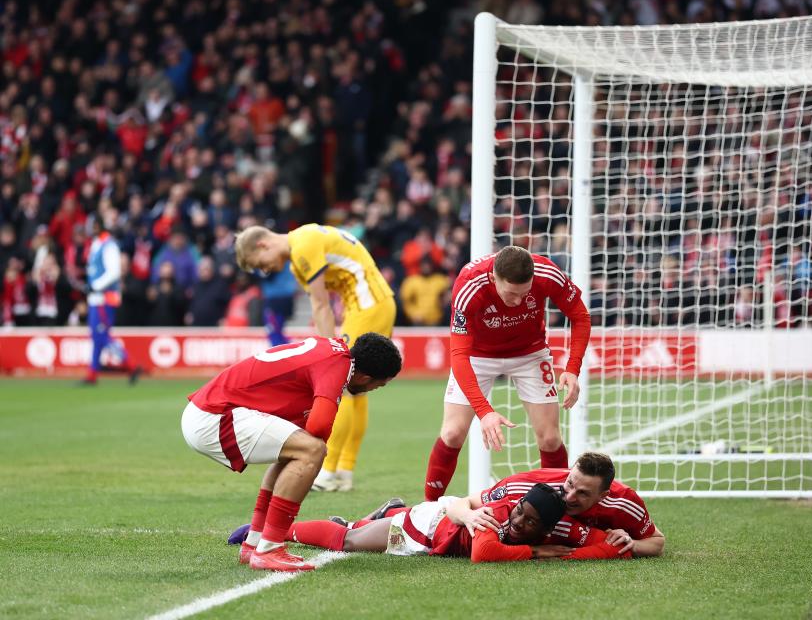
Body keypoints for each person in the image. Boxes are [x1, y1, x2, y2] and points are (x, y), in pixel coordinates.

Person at [181, 332, 402, 572]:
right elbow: (319, 427)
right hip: (215, 416)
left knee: (299, 449)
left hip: (210, 410)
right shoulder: (338, 366)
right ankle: (270, 548)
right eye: (376, 386)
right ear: (364, 377)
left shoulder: (332, 350)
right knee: (312, 450)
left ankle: (254, 544)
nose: (371, 390)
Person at [234, 224, 397, 492]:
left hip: (366, 305)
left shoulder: (302, 247)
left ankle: (328, 470)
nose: (264, 270)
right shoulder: (304, 243)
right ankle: (344, 469)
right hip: (373, 303)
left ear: (262, 245)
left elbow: (321, 305)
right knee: (356, 390)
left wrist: (328, 353)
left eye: (259, 263)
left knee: (340, 387)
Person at [423, 246, 591, 501]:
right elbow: (458, 356)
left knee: (550, 438)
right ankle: (428, 509)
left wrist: (572, 368)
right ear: (493, 278)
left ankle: (557, 511)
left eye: (524, 293)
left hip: (530, 353)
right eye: (511, 294)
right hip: (477, 356)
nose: (518, 301)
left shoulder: (547, 273)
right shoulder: (469, 285)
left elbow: (580, 316)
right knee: (453, 433)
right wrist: (485, 411)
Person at [228, 483, 629, 562]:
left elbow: (608, 544)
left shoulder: (562, 527)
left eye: (530, 521)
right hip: (425, 526)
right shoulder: (497, 513)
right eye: (521, 511)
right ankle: (264, 532)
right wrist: (539, 552)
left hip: (439, 528)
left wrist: (609, 544)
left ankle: (383, 512)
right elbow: (485, 553)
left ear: (549, 525)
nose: (520, 520)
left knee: (356, 531)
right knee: (348, 541)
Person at [445, 451, 665, 558]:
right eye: (569, 484)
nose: (569, 497)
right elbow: (460, 503)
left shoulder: (624, 502)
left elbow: (657, 542)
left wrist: (632, 544)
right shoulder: (526, 487)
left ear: (603, 495)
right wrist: (466, 515)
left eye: (582, 493)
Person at [80, 214, 141, 385]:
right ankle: (92, 374)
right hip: (96, 298)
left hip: (105, 298)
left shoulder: (109, 245)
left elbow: (113, 272)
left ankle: (131, 365)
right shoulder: (97, 244)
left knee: (102, 336)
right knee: (97, 336)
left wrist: (96, 286)